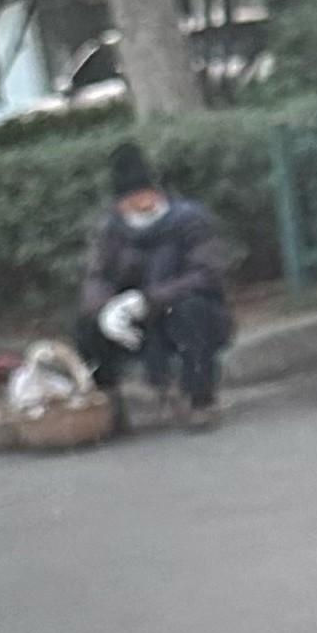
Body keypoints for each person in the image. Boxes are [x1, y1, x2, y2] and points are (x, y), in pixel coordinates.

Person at [77, 142, 234, 431]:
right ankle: (108, 407)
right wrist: (105, 309)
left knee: (191, 311)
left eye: (144, 195)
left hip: (183, 307)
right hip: (134, 315)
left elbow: (206, 274)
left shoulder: (189, 219)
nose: (139, 203)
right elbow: (97, 276)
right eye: (130, 199)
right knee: (86, 327)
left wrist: (149, 299)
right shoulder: (111, 230)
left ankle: (200, 400)